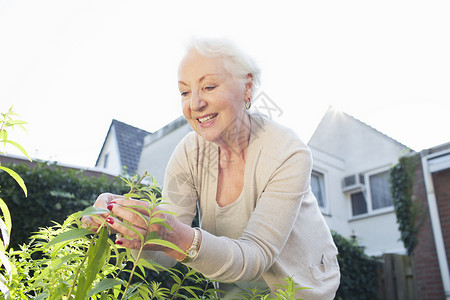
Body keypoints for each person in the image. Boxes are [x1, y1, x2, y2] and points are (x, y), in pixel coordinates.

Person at [84, 37, 340, 299]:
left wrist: (177, 236)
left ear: (247, 88)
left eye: (208, 86)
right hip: (235, 291)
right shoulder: (187, 154)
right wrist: (129, 226)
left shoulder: (287, 152)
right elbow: (164, 253)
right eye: (184, 92)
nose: (194, 104)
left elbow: (255, 257)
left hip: (301, 288)